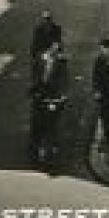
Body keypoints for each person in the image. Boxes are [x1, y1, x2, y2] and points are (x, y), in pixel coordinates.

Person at [29, 37, 69, 166]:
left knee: (52, 123)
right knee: (37, 121)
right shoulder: (40, 60)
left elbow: (64, 80)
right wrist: (33, 91)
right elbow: (35, 77)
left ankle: (50, 147)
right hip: (40, 95)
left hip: (54, 96)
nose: (55, 52)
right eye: (53, 49)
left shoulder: (61, 63)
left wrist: (62, 96)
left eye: (57, 50)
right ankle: (36, 146)